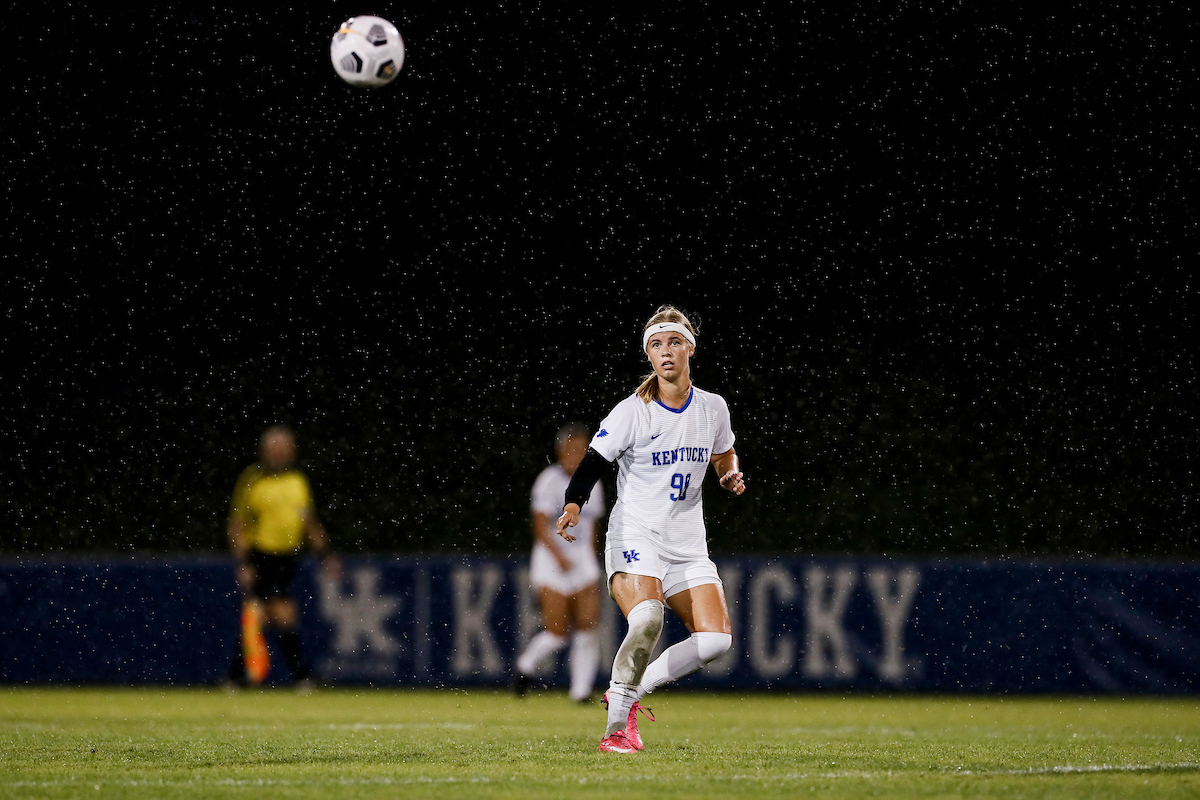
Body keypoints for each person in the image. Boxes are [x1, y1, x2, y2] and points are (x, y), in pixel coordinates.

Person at [557, 305, 746, 754]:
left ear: (690, 349)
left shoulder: (713, 407)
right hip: (636, 534)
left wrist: (728, 472)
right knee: (647, 619)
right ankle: (616, 729)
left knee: (716, 641)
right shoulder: (633, 411)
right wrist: (573, 503)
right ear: (649, 355)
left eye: (674, 342)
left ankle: (630, 693)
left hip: (687, 542)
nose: (666, 351)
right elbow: (593, 462)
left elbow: (725, 451)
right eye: (657, 344)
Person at [225, 425, 338, 688]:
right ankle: (297, 676)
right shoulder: (252, 479)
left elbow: (309, 522)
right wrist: (244, 562)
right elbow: (237, 524)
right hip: (261, 556)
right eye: (274, 448)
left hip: (288, 558)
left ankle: (237, 677)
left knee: (269, 615)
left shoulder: (298, 480)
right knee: (273, 613)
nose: (280, 453)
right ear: (263, 451)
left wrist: (327, 555)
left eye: (285, 448)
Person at [513, 424, 605, 702]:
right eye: (572, 449)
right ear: (560, 451)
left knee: (588, 626)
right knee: (557, 631)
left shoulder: (593, 483)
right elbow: (540, 525)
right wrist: (558, 556)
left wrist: (591, 561)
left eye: (582, 450)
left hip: (581, 559)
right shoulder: (548, 481)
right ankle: (524, 667)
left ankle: (580, 691)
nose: (577, 455)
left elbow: (593, 527)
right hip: (552, 560)